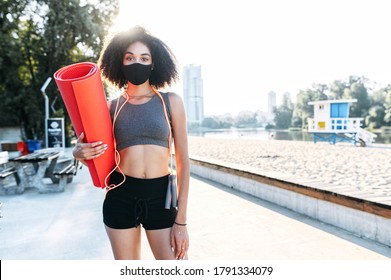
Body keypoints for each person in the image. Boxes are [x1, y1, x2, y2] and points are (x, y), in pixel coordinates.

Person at [72, 26, 190, 260]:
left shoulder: (171, 102)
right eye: (130, 57)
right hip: (120, 193)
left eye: (144, 58)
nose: (137, 62)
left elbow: (184, 163)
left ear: (154, 63)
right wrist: (79, 154)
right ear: (120, 62)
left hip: (163, 194)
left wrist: (181, 221)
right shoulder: (110, 108)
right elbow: (101, 162)